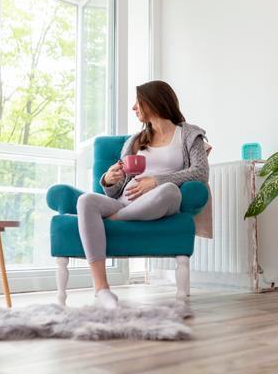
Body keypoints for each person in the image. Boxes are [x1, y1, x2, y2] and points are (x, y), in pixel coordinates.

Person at [76, 80, 209, 309]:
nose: (133, 107)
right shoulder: (136, 141)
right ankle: (103, 289)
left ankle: (110, 221)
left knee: (168, 191)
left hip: (162, 201)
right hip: (124, 203)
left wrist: (156, 181)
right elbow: (119, 189)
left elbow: (200, 171)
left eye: (137, 101)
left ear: (154, 101)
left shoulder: (188, 135)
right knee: (85, 200)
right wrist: (109, 180)